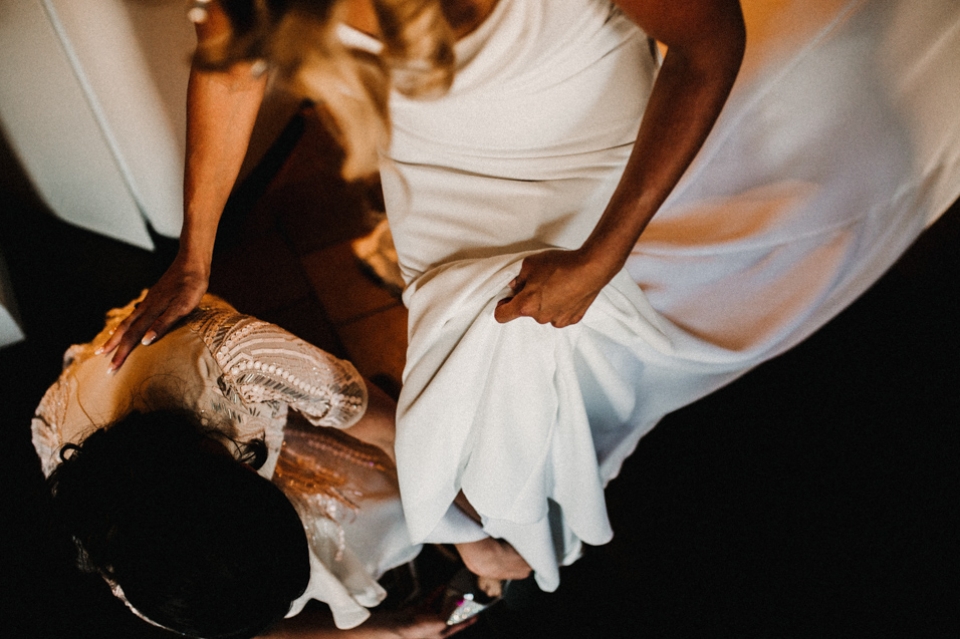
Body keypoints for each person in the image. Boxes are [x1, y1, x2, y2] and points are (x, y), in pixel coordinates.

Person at [99, 0, 960, 592]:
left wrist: (600, 254)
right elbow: (229, 69)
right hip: (442, 201)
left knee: (564, 369)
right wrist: (194, 255)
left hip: (594, 176)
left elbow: (706, 44)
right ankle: (540, 488)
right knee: (490, 391)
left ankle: (586, 458)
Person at [32, 293, 485, 638]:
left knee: (377, 491)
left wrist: (475, 542)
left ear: (251, 469)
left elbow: (388, 427)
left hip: (178, 354)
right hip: (95, 424)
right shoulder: (137, 561)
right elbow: (267, 634)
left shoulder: (243, 362)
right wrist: (395, 629)